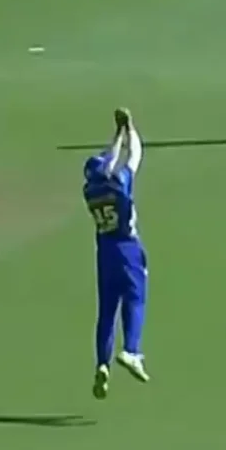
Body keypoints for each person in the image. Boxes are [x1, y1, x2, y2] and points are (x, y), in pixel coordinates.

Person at [83, 108, 150, 399]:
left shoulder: (90, 191)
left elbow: (106, 161)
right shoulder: (120, 183)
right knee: (135, 298)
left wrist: (117, 134)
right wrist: (129, 130)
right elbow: (135, 154)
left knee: (106, 313)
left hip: (104, 253)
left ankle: (102, 363)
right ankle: (131, 350)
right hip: (127, 248)